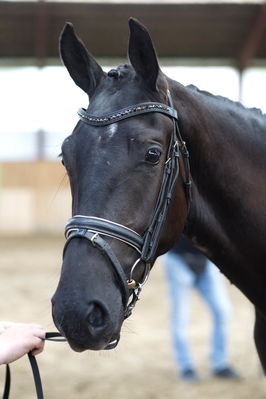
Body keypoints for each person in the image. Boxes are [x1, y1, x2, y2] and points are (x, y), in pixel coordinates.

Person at [163, 236, 240, 382]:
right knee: (181, 317)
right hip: (178, 259)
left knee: (223, 311)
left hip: (206, 259)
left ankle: (220, 363)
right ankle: (186, 367)